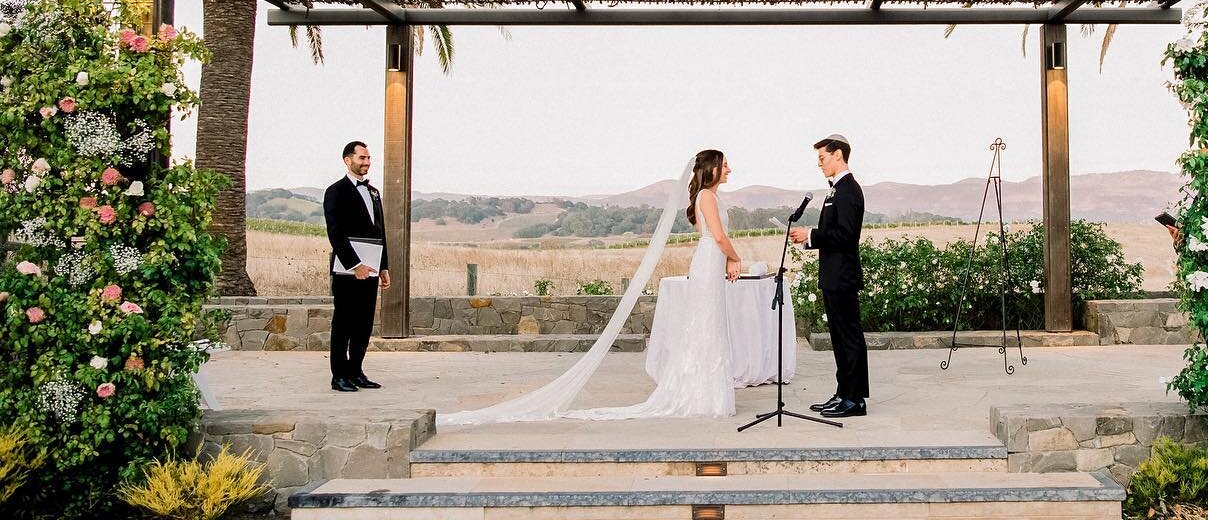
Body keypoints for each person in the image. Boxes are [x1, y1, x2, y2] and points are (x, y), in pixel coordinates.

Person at [437, 150, 741, 425]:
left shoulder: (709, 197)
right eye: (724, 163)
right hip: (709, 261)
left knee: (708, 326)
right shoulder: (707, 198)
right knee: (704, 326)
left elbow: (712, 237)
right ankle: (703, 396)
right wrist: (735, 258)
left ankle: (705, 393)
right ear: (712, 168)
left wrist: (725, 261)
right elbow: (717, 236)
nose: (729, 168)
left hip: (709, 263)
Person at [789, 135, 869, 418]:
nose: (820, 164)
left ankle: (855, 399)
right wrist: (809, 239)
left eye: (822, 158)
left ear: (838, 155)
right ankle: (843, 392)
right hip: (833, 275)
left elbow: (846, 236)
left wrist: (811, 234)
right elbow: (832, 234)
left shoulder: (848, 190)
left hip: (843, 275)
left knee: (849, 337)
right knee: (838, 337)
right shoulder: (836, 190)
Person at [323, 141, 389, 392]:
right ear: (347, 160)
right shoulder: (335, 191)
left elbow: (381, 232)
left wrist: (383, 266)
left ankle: (356, 371)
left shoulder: (373, 192)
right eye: (362, 157)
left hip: (372, 268)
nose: (367, 162)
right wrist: (355, 265)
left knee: (364, 323)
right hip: (347, 269)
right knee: (343, 323)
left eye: (369, 157)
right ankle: (338, 375)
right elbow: (335, 233)